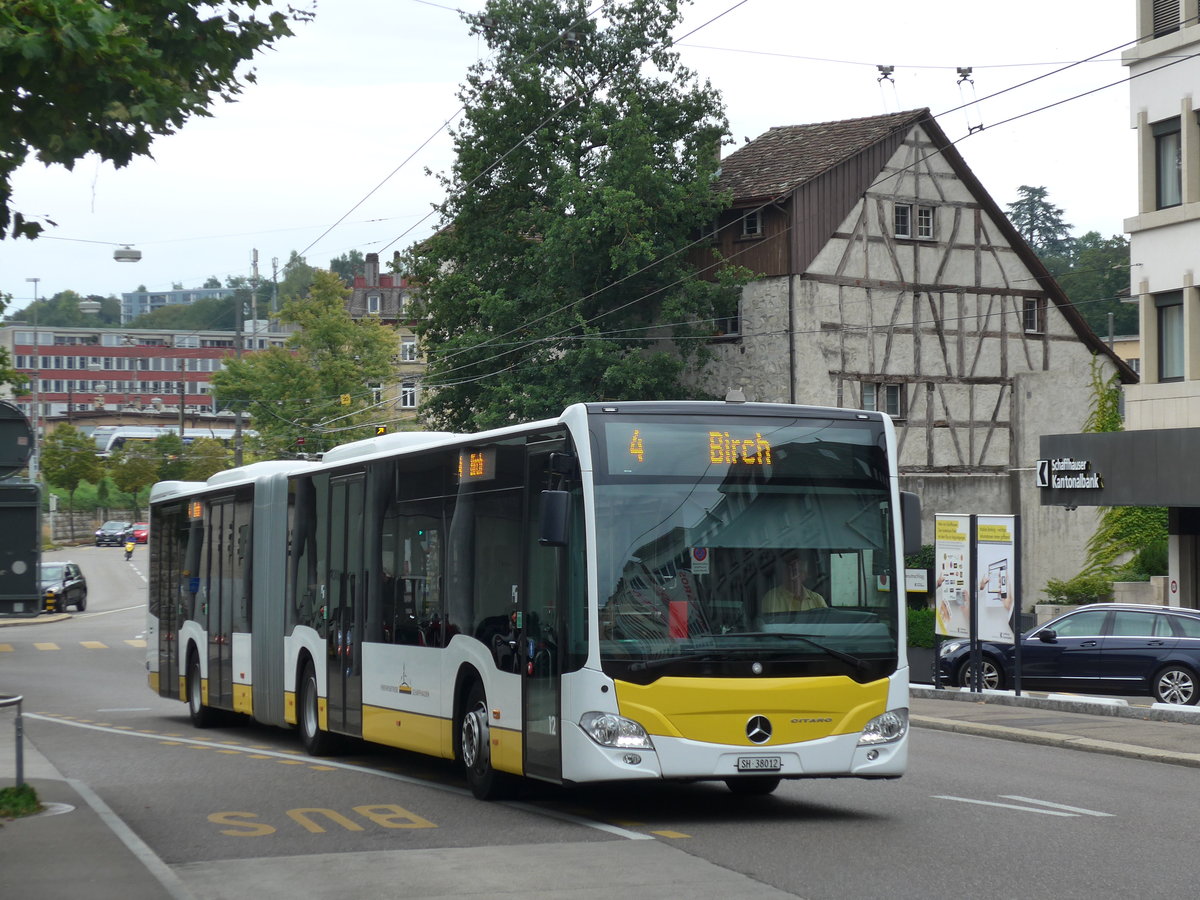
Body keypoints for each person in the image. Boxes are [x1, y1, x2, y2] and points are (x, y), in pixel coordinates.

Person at [761, 551, 827, 613]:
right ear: (783, 572)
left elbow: (827, 624)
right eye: (790, 567)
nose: (794, 573)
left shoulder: (817, 600)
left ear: (806, 574)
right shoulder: (771, 599)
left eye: (799, 568)